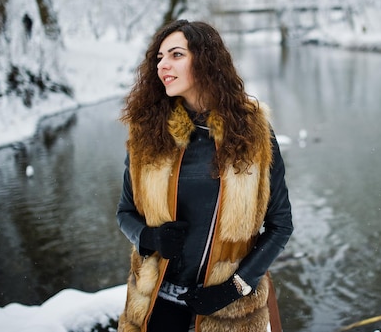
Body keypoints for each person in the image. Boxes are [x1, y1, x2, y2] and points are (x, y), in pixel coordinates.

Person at [116, 19, 294, 332]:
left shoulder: (253, 132)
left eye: (176, 55)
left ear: (205, 61)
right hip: (155, 308)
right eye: (159, 58)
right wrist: (149, 237)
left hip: (228, 311)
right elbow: (125, 213)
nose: (163, 66)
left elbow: (280, 225)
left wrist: (234, 287)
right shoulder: (148, 132)